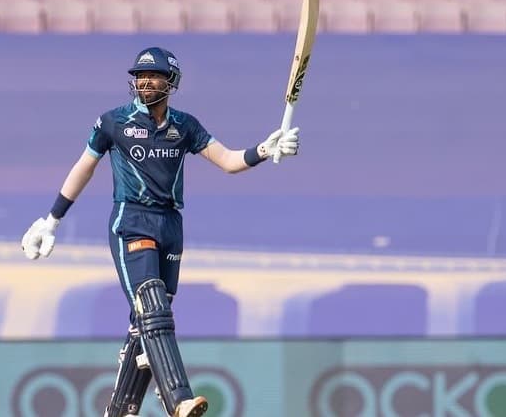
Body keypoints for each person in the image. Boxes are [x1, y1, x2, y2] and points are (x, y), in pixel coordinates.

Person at [21, 47, 299, 417]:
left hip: (170, 225)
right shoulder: (114, 122)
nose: (145, 82)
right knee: (151, 305)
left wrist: (264, 149)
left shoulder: (185, 126)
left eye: (154, 76)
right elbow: (84, 167)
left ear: (171, 82)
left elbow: (229, 161)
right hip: (131, 220)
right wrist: (52, 219)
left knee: (147, 323)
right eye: (140, 76)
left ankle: (119, 411)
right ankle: (178, 399)